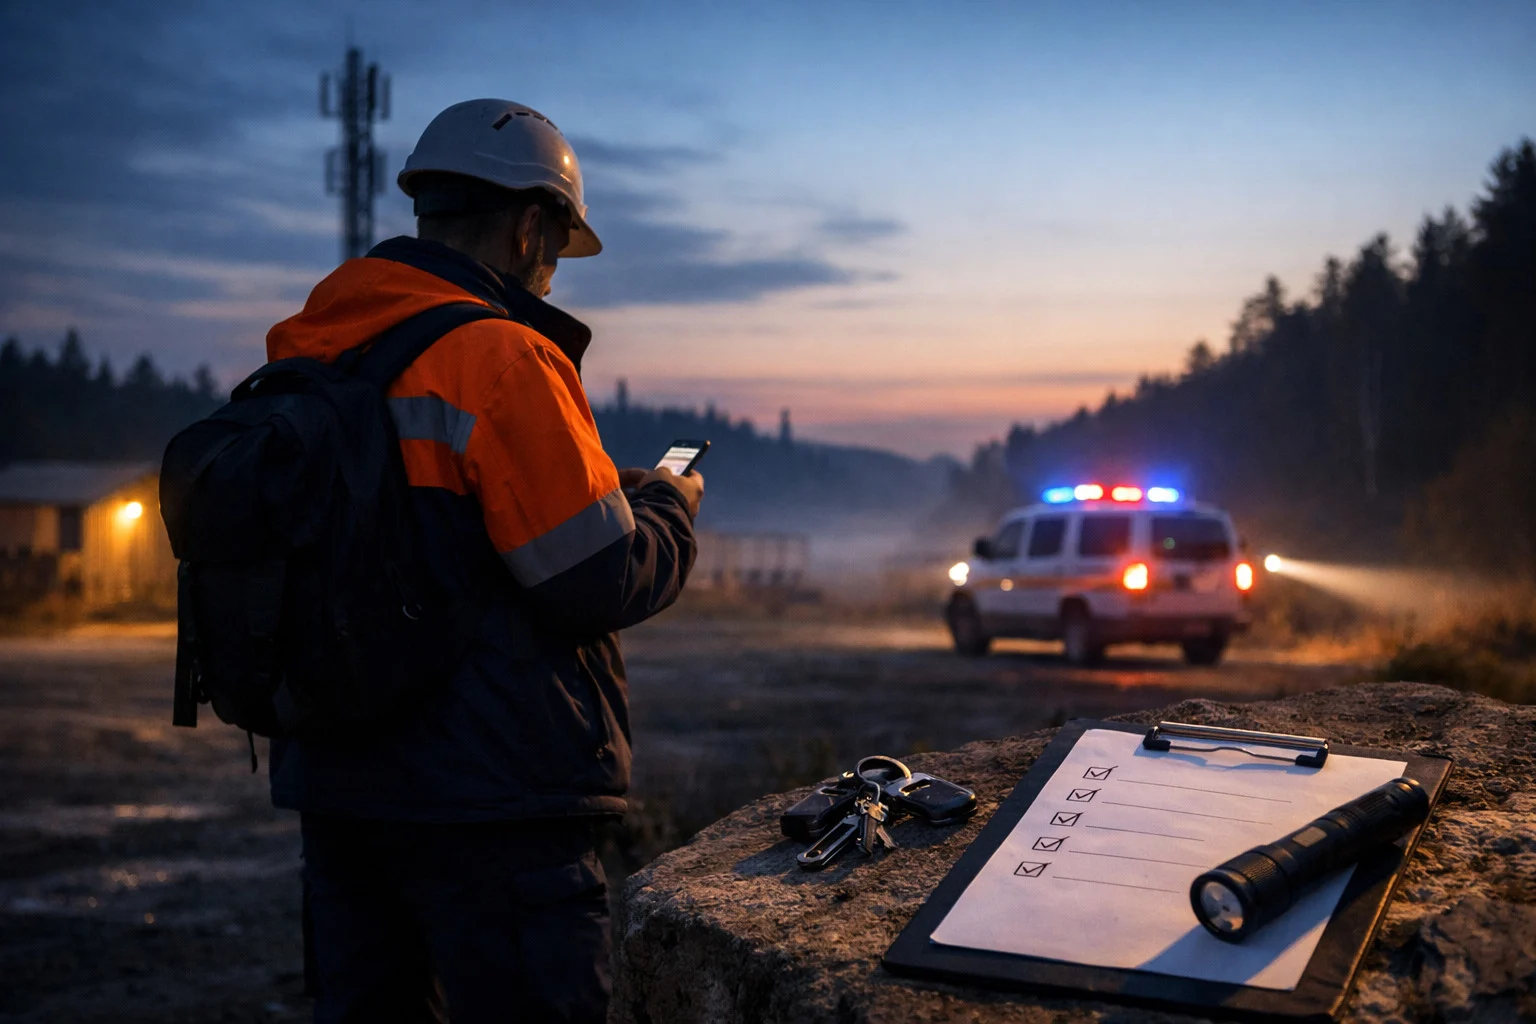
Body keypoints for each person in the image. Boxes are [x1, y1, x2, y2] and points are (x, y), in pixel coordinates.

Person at [263, 99, 703, 1023]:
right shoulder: (501, 358)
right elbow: (597, 577)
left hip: (339, 794)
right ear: (530, 226)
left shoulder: (322, 347)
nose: (552, 273)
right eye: (556, 249)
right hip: (491, 805)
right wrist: (669, 505)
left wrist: (594, 491)